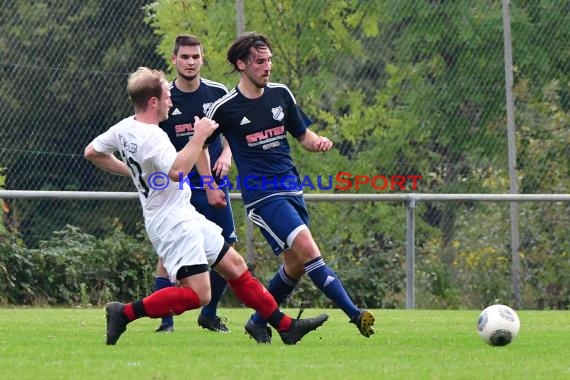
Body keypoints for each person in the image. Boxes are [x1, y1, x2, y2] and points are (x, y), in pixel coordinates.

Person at [84, 66, 328, 345]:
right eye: (166, 97)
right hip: (171, 222)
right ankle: (123, 312)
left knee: (235, 265)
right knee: (200, 295)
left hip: (182, 214)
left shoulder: (125, 127)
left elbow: (92, 152)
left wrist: (133, 172)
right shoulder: (154, 137)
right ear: (153, 101)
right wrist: (198, 136)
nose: (171, 101)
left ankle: (286, 327)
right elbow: (177, 171)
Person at [205, 32, 375, 343]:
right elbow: (199, 146)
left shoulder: (281, 94)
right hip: (263, 196)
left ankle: (258, 321)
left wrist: (318, 142)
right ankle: (355, 314)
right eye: (259, 61)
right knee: (309, 250)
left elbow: (303, 136)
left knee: (295, 264)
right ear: (241, 64)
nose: (267, 66)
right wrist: (208, 183)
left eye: (269, 60)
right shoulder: (224, 107)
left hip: (291, 188)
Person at [153, 34, 236, 334]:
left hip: (213, 183)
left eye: (195, 57)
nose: (190, 62)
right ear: (174, 59)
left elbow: (230, 136)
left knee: (227, 249)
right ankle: (165, 322)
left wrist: (226, 155)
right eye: (184, 57)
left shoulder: (218, 92)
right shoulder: (164, 98)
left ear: (202, 59)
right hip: (177, 187)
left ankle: (209, 314)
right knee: (168, 254)